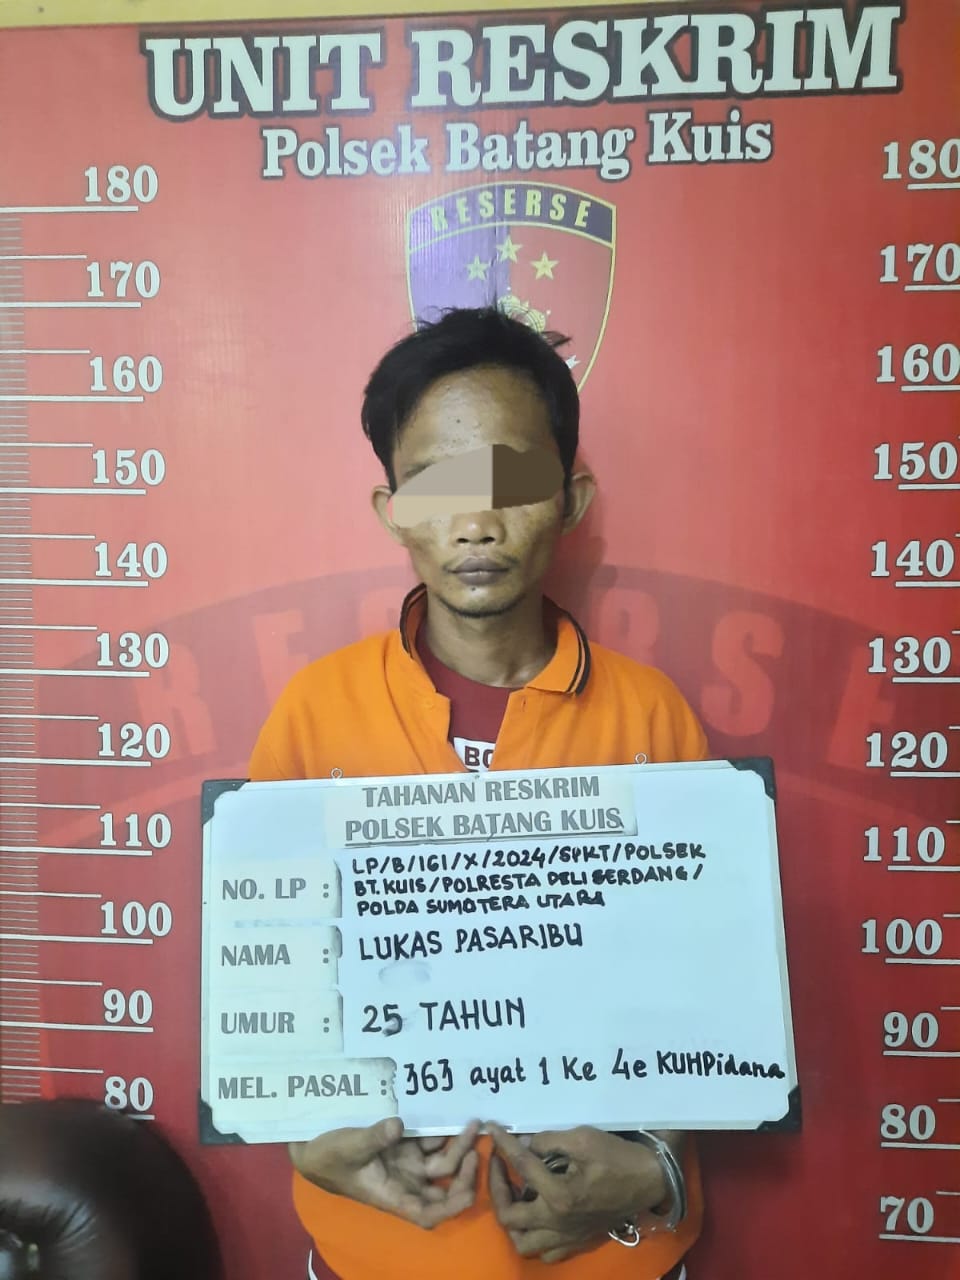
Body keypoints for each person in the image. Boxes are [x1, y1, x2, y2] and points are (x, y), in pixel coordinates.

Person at [248, 306, 709, 1280]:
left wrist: (652, 1167)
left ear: (572, 499)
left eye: (514, 481)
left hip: (614, 1258)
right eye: (437, 485)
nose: (475, 520)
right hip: (383, 1253)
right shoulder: (314, 712)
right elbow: (270, 980)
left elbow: (709, 996)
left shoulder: (653, 715)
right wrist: (307, 1141)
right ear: (390, 509)